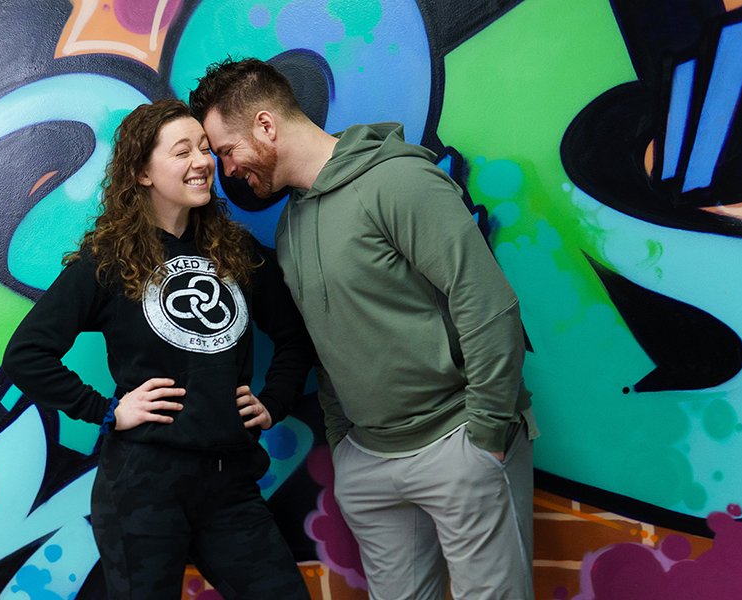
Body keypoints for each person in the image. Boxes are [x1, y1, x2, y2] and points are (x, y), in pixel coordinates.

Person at [189, 58, 537, 600]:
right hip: (370, 462)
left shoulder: (397, 180)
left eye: (226, 150)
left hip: (457, 444)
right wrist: (343, 444)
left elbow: (487, 303)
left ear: (265, 125)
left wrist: (487, 436)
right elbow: (326, 340)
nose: (226, 170)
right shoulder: (291, 227)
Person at [2, 99, 314, 600]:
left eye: (206, 150)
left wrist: (274, 401)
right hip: (142, 489)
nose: (202, 162)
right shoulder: (108, 260)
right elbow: (26, 354)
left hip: (229, 485)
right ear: (143, 172)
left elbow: (295, 337)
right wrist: (106, 411)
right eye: (182, 151)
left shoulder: (234, 251)